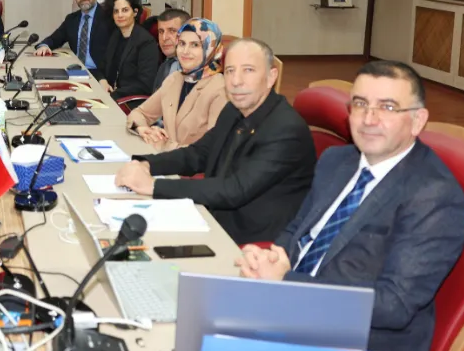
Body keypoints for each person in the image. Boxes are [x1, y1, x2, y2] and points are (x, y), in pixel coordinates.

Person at [236, 60, 464, 351]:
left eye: (387, 107)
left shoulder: (434, 196)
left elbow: (393, 305)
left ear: (417, 120)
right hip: (294, 314)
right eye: (360, 103)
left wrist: (287, 282)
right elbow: (298, 231)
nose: (369, 118)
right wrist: (274, 256)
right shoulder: (337, 160)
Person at [115, 38, 316, 244]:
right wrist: (146, 164)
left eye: (248, 70)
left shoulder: (285, 129)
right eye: (230, 71)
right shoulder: (233, 110)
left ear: (271, 76)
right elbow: (198, 154)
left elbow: (234, 190)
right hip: (215, 218)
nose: (236, 81)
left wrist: (153, 186)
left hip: (251, 242)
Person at [126, 18, 228, 151]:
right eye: (182, 43)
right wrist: (143, 129)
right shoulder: (175, 79)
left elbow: (213, 150)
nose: (185, 51)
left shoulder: (220, 89)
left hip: (188, 164)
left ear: (211, 49)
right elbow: (139, 113)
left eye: (195, 45)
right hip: (164, 159)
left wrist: (164, 145)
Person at [33, 0, 115, 81]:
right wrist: (44, 46)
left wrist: (103, 78)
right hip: (75, 71)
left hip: (101, 76)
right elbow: (54, 39)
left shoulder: (110, 17)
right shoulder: (71, 19)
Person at [99, 0, 160, 100]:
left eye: (125, 10)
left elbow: (145, 85)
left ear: (135, 12)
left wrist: (113, 95)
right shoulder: (115, 35)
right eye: (116, 11)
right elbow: (103, 65)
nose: (120, 15)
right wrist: (102, 80)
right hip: (111, 96)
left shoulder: (146, 42)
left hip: (130, 101)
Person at [151, 8, 191, 90]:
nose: (164, 38)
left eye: (172, 31)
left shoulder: (194, 68)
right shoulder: (165, 65)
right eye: (161, 31)